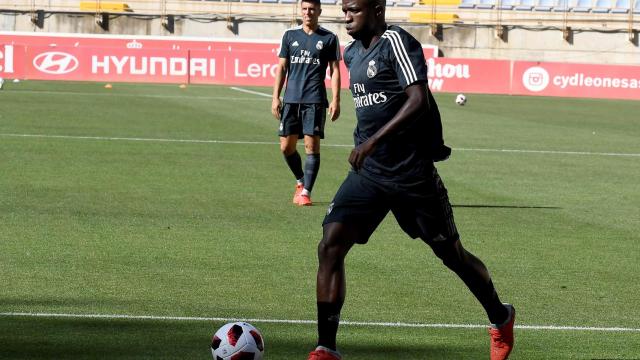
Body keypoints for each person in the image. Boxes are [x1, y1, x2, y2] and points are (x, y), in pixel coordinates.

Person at [307, 0, 515, 359]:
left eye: (353, 9)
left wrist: (373, 141)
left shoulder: (397, 43)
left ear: (376, 9)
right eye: (343, 10)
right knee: (330, 244)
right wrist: (368, 146)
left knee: (453, 256)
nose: (346, 16)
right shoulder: (351, 53)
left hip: (411, 175)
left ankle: (500, 316)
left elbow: (418, 99)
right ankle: (326, 347)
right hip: (369, 175)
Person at [272, 0, 341, 206]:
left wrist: (336, 99)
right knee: (286, 147)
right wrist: (276, 96)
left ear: (319, 11)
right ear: (300, 11)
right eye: (304, 9)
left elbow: (335, 70)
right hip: (291, 100)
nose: (308, 12)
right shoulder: (289, 36)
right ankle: (300, 182)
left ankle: (306, 193)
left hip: (315, 100)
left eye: (312, 9)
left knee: (312, 146)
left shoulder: (329, 38)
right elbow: (282, 68)